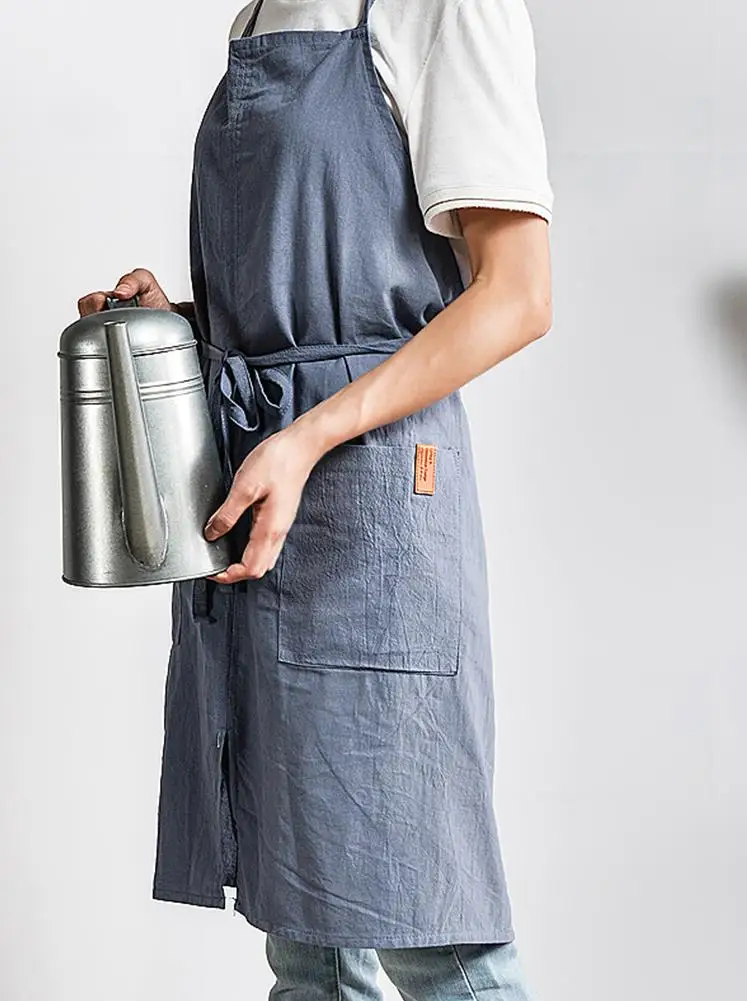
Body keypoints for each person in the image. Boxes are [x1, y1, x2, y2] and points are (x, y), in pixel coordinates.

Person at [75, 0, 553, 996]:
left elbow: (516, 295)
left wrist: (308, 435)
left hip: (372, 499)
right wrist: (184, 326)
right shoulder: (262, 10)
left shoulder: (439, 8)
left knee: (429, 923)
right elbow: (313, 294)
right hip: (257, 485)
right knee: (306, 933)